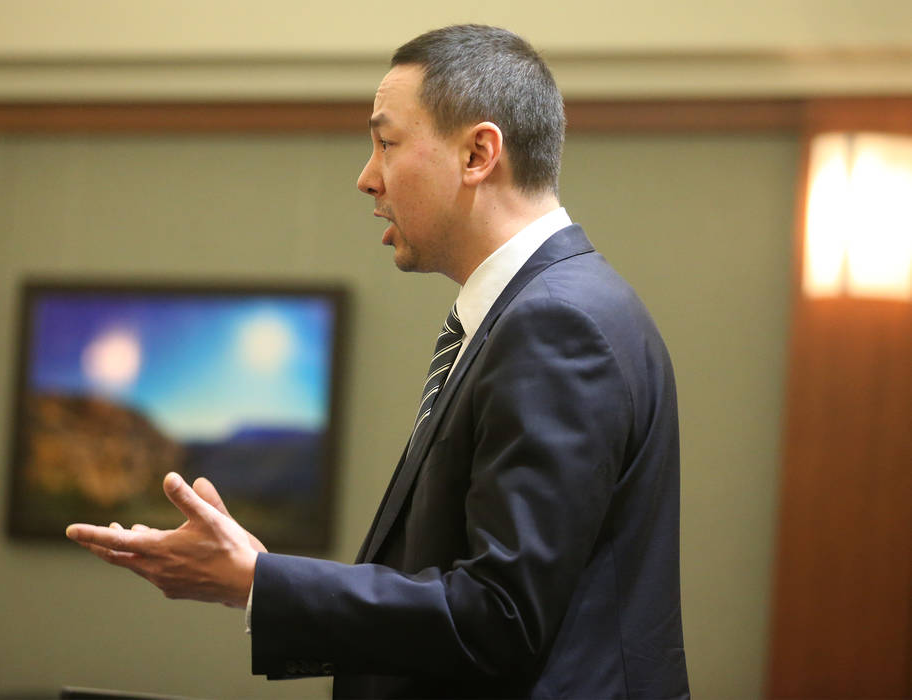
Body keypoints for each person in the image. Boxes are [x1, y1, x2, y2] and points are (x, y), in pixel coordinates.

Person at [67, 24, 690, 699]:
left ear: (479, 152)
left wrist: (258, 579)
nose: (367, 179)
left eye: (386, 142)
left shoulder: (555, 322)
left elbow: (500, 617)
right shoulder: (546, 309)